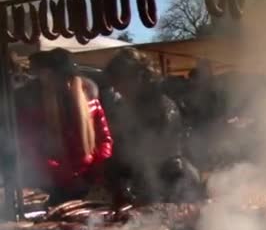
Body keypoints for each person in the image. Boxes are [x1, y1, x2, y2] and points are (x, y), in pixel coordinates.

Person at [104, 48, 202, 205]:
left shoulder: (161, 107)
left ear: (138, 77)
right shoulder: (124, 107)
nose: (116, 88)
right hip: (145, 188)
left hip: (173, 188)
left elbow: (159, 156)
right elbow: (122, 151)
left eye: (119, 81)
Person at [17, 48, 113, 204]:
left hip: (88, 182)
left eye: (68, 79)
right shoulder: (34, 105)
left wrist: (95, 167)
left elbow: (105, 140)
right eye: (59, 79)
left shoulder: (91, 102)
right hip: (52, 186)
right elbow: (29, 147)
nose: (65, 84)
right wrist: (60, 173)